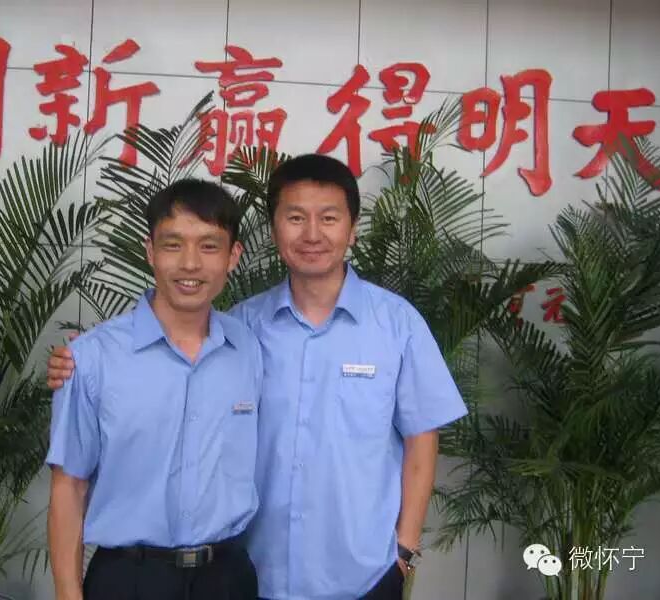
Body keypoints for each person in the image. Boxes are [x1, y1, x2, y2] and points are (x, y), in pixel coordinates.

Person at [47, 154, 468, 599]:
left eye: (328, 218)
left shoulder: (396, 324)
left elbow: (422, 437)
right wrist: (87, 358)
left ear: (352, 228)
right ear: (274, 229)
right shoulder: (244, 329)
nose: (311, 234)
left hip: (362, 573)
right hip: (254, 574)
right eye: (295, 218)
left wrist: (404, 550)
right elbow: (170, 348)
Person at [46, 179, 262, 600]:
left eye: (209, 246)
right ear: (150, 251)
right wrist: (68, 594)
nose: (190, 264)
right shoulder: (92, 358)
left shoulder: (249, 349)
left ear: (233, 256)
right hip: (129, 579)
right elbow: (69, 487)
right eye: (172, 245)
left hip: (227, 579)